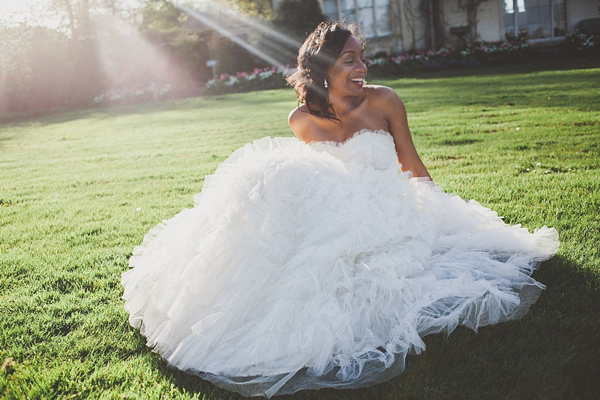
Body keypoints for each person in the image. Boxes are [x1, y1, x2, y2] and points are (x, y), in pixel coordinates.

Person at [121, 21, 559, 398]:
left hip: (388, 203)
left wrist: (439, 210)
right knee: (271, 177)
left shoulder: (384, 100)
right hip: (338, 206)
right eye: (349, 60)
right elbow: (320, 180)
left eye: (362, 58)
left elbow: (411, 162)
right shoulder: (301, 120)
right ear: (323, 67)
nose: (362, 68)